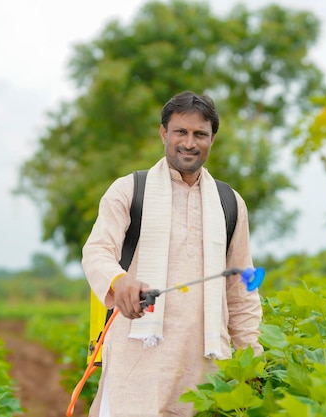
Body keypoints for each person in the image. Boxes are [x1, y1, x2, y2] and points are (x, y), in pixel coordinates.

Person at [81, 90, 263, 417]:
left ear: (212, 140)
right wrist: (120, 282)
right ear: (164, 133)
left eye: (200, 134)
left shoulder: (230, 203)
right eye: (180, 131)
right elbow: (97, 252)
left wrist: (252, 360)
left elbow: (241, 289)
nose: (189, 143)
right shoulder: (129, 190)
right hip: (138, 364)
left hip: (205, 367)